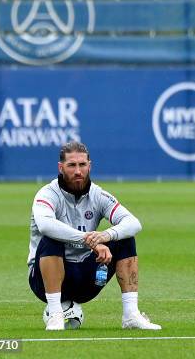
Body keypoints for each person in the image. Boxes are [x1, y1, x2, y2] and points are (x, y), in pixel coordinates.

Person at [27, 141, 161, 331]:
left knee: (124, 238)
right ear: (61, 167)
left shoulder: (98, 195)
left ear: (89, 165)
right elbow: (46, 225)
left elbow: (133, 223)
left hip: (85, 279)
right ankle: (56, 315)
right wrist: (90, 240)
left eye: (82, 165)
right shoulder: (47, 194)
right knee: (51, 238)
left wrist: (105, 236)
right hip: (42, 281)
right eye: (71, 165)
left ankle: (131, 315)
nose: (78, 171)